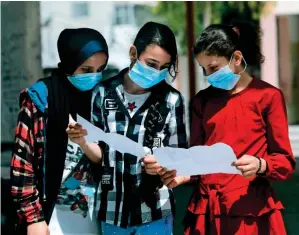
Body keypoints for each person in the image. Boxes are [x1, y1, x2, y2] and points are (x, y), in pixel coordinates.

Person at [151, 21, 296, 235]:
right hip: (206, 210)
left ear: (236, 59)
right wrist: (182, 175)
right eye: (203, 69)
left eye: (214, 68)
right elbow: (197, 158)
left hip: (249, 212)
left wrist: (261, 164)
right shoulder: (202, 101)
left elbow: (285, 162)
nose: (208, 76)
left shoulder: (268, 96)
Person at [67, 21, 188, 234]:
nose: (156, 72)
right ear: (133, 53)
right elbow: (100, 155)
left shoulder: (171, 100)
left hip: (156, 215)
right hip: (113, 215)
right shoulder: (102, 93)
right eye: (151, 64)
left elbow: (181, 158)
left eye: (164, 68)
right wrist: (83, 142)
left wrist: (164, 166)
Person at [10, 28, 109, 235]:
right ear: (69, 64)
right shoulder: (40, 99)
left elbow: (108, 155)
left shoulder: (102, 99)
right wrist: (33, 219)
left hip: (95, 219)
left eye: (100, 69)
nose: (94, 77)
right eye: (86, 69)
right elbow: (23, 163)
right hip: (50, 219)